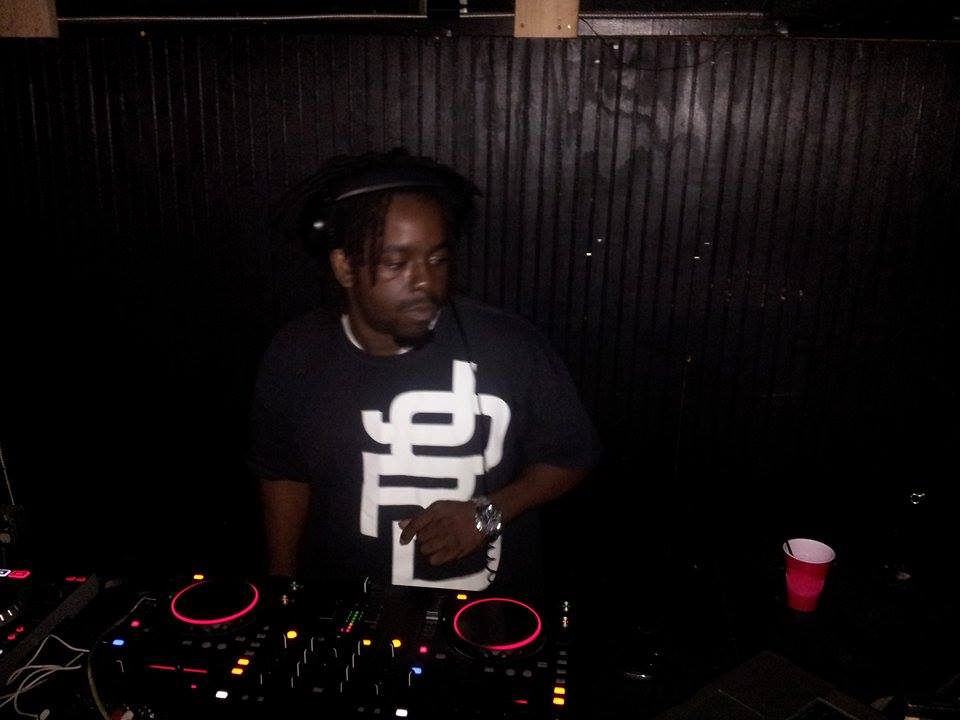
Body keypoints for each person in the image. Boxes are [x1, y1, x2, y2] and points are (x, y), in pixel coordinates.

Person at [248, 148, 600, 594]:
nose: (425, 283)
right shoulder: (295, 354)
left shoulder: (510, 345)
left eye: (437, 259)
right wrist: (281, 581)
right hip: (346, 602)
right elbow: (282, 471)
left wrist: (488, 513)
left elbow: (573, 456)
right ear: (344, 267)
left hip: (485, 615)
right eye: (397, 263)